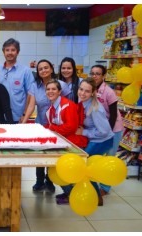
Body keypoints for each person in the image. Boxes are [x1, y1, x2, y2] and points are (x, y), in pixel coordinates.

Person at [21, 59, 71, 193]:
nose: (43, 70)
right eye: (40, 69)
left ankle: (50, 181)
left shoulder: (61, 85)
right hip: (41, 125)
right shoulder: (35, 86)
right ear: (38, 72)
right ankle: (39, 180)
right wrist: (24, 121)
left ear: (51, 68)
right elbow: (31, 105)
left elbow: (68, 104)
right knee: (39, 153)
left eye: (46, 68)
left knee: (51, 153)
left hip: (57, 126)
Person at [43, 79, 88, 204]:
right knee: (54, 166)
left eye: (53, 89)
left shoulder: (67, 105)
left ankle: (71, 193)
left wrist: (52, 129)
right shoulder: (52, 107)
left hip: (74, 143)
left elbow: (71, 127)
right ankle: (68, 191)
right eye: (48, 89)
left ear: (59, 92)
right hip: (64, 141)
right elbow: (52, 125)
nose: (50, 91)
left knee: (60, 167)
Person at [76, 77, 115, 206]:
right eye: (81, 89)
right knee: (86, 165)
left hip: (103, 140)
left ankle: (97, 197)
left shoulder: (96, 108)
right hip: (94, 137)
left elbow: (104, 131)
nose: (82, 93)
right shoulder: (82, 101)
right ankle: (90, 193)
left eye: (87, 91)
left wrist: (84, 132)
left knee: (86, 166)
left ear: (93, 93)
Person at [90, 65, 124, 196]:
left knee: (109, 159)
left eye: (98, 73)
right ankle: (95, 181)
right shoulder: (90, 89)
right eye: (92, 73)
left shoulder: (108, 92)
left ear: (103, 76)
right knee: (96, 157)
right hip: (100, 129)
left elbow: (114, 114)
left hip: (113, 129)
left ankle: (105, 187)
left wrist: (108, 134)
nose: (94, 76)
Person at [0, 38, 34, 123]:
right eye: (7, 50)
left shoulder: (25, 71)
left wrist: (25, 114)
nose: (10, 53)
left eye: (13, 50)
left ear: (18, 52)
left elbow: (31, 95)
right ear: (3, 52)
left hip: (18, 118)